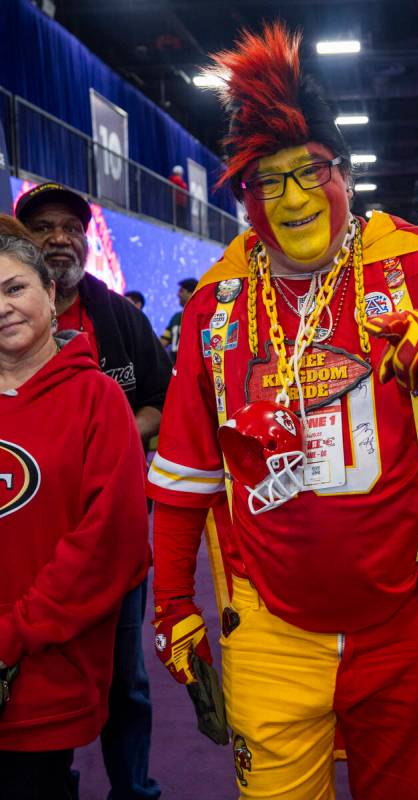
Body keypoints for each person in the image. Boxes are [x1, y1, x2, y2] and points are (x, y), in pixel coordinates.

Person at [146, 22, 418, 800]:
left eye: (308, 171)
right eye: (266, 182)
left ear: (342, 172)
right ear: (245, 199)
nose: (293, 197)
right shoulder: (218, 302)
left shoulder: (412, 263)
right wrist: (174, 601)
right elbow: (184, 471)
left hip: (408, 622)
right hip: (270, 626)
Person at [15, 182, 169, 800]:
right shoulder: (11, 317)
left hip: (113, 537)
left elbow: (165, 402)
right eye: (44, 227)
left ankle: (133, 790)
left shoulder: (120, 318)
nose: (60, 237)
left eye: (72, 227)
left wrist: (108, 436)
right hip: (31, 537)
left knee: (125, 681)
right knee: (34, 675)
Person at [160, 277, 197, 361]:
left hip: (192, 366)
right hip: (173, 367)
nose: (178, 294)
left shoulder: (201, 316)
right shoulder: (176, 317)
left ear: (191, 293)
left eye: (181, 291)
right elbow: (164, 341)